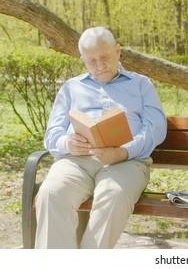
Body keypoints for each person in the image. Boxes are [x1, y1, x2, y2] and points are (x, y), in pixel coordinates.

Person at [34, 27, 167, 249]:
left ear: (118, 51)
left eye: (104, 58)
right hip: (77, 161)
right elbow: (52, 134)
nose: (99, 66)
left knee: (113, 195)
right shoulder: (71, 87)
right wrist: (68, 143)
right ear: (83, 59)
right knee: (51, 193)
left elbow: (156, 128)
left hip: (127, 162)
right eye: (91, 61)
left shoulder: (141, 85)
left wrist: (124, 151)